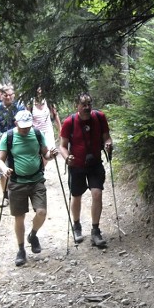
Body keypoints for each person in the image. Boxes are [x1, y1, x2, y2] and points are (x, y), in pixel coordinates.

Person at [0, 110, 58, 266]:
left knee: (42, 212)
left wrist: (51, 155)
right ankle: (21, 249)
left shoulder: (37, 134)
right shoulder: (8, 137)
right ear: (16, 123)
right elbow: (0, 160)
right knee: (19, 217)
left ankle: (33, 235)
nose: (25, 129)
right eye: (23, 127)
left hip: (37, 180)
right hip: (17, 182)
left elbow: (46, 156)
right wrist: (4, 169)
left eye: (28, 126)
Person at [58, 93, 113, 248]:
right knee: (76, 196)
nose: (87, 107)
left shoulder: (100, 118)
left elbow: (107, 138)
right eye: (84, 104)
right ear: (77, 106)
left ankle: (95, 231)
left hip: (95, 163)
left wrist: (108, 144)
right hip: (76, 165)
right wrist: (67, 157)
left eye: (89, 104)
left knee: (97, 193)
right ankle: (76, 226)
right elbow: (62, 145)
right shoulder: (70, 122)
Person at [0, 84, 24, 204]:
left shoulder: (20, 108)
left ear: (14, 95)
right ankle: (5, 196)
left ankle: (18, 193)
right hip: (0, 142)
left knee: (18, 168)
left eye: (10, 95)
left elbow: (27, 126)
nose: (8, 97)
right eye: (5, 95)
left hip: (17, 141)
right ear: (2, 96)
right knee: (2, 168)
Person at [31, 86, 61, 152]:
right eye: (38, 91)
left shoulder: (48, 101)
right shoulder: (30, 103)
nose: (40, 92)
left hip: (48, 131)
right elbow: (28, 118)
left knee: (51, 152)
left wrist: (60, 130)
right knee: (39, 154)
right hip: (36, 133)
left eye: (41, 90)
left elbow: (55, 115)